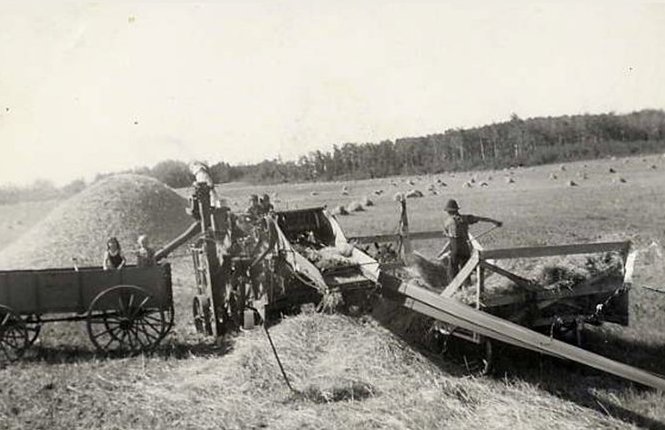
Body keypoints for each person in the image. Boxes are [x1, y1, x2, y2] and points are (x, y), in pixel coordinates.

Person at [439, 199, 502, 277]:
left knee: (453, 269)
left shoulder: (447, 222)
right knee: (466, 268)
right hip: (464, 246)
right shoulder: (465, 218)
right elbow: (481, 218)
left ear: (448, 211)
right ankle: (467, 285)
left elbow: (446, 234)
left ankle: (454, 287)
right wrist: (495, 222)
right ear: (456, 210)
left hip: (454, 247)